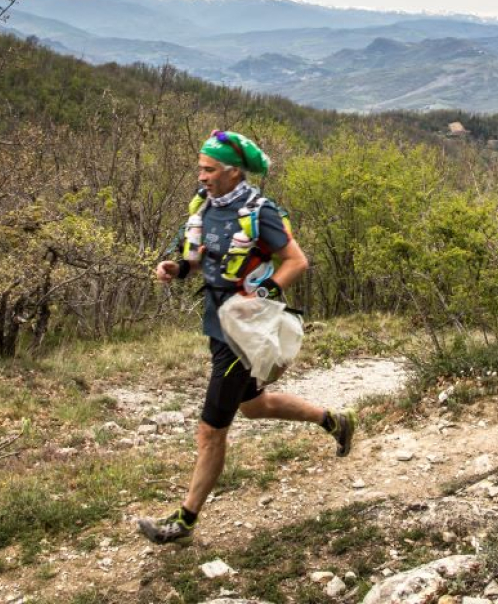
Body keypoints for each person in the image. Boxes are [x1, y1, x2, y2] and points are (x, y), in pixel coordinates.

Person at [136, 130, 355, 545]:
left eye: (209, 169)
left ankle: (183, 522)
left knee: (210, 431)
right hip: (217, 323)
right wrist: (176, 269)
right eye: (200, 168)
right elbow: (197, 260)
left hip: (245, 332)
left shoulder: (261, 212)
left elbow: (296, 261)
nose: (201, 176)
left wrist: (264, 294)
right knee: (254, 406)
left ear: (233, 171)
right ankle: (334, 421)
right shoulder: (204, 207)